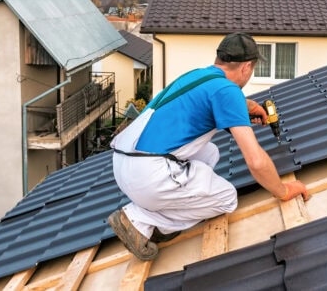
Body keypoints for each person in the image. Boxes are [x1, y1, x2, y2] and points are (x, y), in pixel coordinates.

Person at [107, 32, 310, 261]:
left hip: (125, 163)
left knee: (210, 151)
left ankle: (162, 216)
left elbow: (210, 102)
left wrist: (247, 106)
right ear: (246, 67)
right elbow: (255, 160)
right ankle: (139, 219)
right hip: (147, 176)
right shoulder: (228, 91)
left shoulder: (198, 76)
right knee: (226, 198)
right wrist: (283, 191)